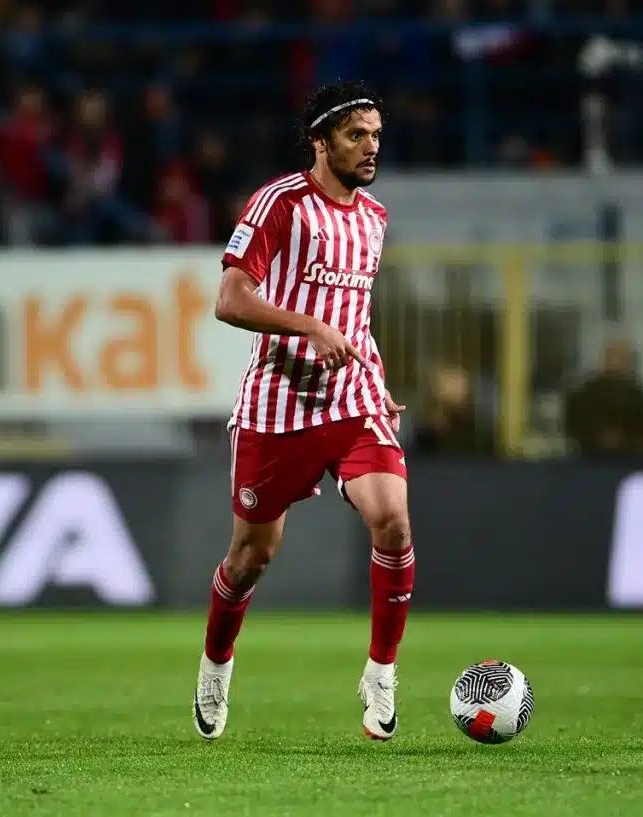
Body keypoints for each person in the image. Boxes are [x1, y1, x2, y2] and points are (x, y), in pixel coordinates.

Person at [193, 82, 413, 743]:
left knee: (392, 520)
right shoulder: (280, 204)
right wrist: (308, 327)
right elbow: (230, 299)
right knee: (251, 556)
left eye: (376, 134)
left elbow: (354, 318)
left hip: (352, 397)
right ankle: (216, 663)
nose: (371, 147)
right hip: (279, 402)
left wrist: (376, 378)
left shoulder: (375, 218)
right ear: (320, 141)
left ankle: (381, 671)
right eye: (356, 135)